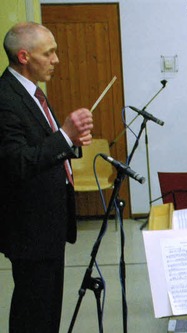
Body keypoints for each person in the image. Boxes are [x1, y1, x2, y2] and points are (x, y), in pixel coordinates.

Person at [0, 22, 94, 332]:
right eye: (49, 53)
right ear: (24, 56)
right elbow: (18, 163)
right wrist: (65, 135)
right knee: (33, 311)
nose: (56, 60)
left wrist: (72, 141)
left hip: (49, 223)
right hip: (30, 228)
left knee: (47, 308)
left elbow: (46, 146)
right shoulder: (6, 98)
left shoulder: (33, 93)